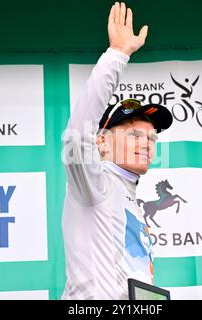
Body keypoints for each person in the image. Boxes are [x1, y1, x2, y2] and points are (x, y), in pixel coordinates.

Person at [61, 2, 173, 300]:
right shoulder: (95, 183)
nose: (146, 143)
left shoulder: (129, 195)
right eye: (134, 134)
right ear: (101, 141)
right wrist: (117, 55)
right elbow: (75, 139)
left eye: (151, 138)